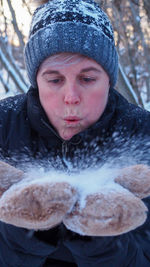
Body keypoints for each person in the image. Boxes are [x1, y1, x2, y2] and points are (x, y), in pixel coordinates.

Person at [0, 0, 150, 266]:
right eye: (55, 80)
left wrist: (102, 239)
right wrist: (25, 230)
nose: (71, 97)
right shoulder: (4, 126)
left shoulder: (142, 134)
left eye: (87, 79)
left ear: (108, 79)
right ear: (36, 80)